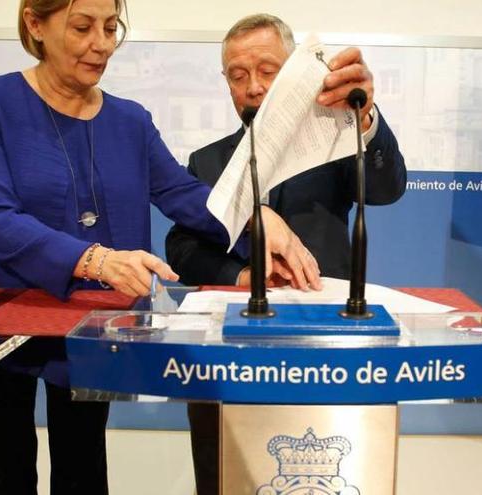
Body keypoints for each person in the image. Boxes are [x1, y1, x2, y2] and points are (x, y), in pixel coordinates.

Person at [0, 2, 319, 494]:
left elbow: (184, 195)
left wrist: (256, 217)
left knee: (83, 470)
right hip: (1, 320)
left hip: (88, 322)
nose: (101, 43)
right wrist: (96, 260)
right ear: (35, 24)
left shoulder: (130, 120)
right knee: (2, 475)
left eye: (110, 28)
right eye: (83, 27)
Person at [163, 14, 407, 495]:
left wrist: (366, 121)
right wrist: (243, 275)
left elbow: (387, 187)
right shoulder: (207, 162)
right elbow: (182, 248)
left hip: (326, 347)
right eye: (237, 75)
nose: (252, 87)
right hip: (230, 353)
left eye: (267, 70)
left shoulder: (339, 142)